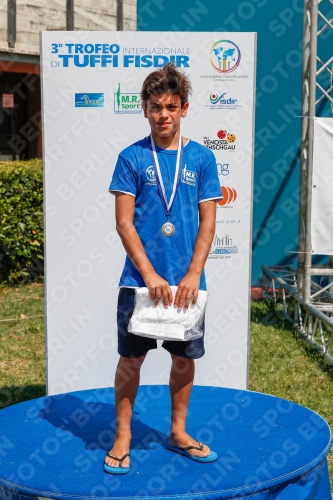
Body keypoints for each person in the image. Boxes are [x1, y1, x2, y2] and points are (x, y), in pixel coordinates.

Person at [105, 63, 222, 474]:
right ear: (145, 109)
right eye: (155, 107)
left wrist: (192, 274)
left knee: (184, 361)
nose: (163, 115)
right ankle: (123, 437)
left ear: (184, 108)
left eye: (171, 106)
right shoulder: (131, 157)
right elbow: (124, 222)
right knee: (131, 361)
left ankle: (178, 432)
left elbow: (208, 220)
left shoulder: (203, 158)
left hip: (188, 284)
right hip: (139, 283)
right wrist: (151, 275)